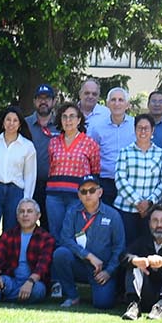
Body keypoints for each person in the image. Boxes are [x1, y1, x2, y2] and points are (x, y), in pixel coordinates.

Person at [51, 175, 125, 309]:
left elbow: (119, 247)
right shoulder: (72, 212)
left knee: (103, 304)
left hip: (102, 270)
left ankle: (109, 290)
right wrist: (89, 256)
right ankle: (72, 296)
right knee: (60, 254)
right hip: (79, 264)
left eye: (92, 190)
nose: (88, 194)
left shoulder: (113, 215)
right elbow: (65, 239)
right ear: (79, 195)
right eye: (83, 191)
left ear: (100, 192)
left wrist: (108, 272)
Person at [0, 106, 35, 257]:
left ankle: (5, 273)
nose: (11, 123)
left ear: (20, 124)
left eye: (15, 120)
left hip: (15, 193)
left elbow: (30, 176)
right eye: (8, 119)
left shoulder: (27, 147)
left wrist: (26, 200)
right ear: (3, 122)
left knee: (10, 236)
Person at [0, 199, 55, 306]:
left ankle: (5, 296)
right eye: (21, 211)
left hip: (33, 282)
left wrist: (30, 282)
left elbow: (42, 267)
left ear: (38, 216)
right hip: (11, 280)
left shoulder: (46, 238)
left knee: (38, 290)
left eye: (29, 211)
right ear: (17, 216)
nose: (25, 215)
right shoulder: (8, 235)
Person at [46, 101, 102, 242]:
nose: (68, 120)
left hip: (78, 196)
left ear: (79, 120)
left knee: (76, 234)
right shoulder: (53, 142)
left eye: (72, 116)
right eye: (64, 117)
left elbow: (94, 172)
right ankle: (58, 262)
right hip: (54, 197)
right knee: (56, 233)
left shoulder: (90, 143)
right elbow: (50, 168)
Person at [114, 113, 162, 245]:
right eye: (139, 128)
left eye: (146, 128)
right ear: (134, 129)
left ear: (152, 130)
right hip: (126, 209)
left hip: (151, 211)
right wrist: (138, 202)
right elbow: (120, 179)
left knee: (148, 247)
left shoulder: (161, 154)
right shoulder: (124, 152)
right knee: (126, 247)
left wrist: (149, 203)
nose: (143, 131)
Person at [93, 87, 135, 207]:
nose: (117, 103)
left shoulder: (135, 125)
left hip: (129, 181)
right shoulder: (98, 128)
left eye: (121, 100)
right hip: (106, 181)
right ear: (107, 104)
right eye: (113, 100)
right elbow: (94, 154)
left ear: (127, 105)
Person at [26, 85, 58, 213]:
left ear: (54, 101)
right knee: (24, 223)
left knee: (49, 226)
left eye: (47, 98)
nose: (43, 102)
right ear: (34, 101)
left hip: (52, 186)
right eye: (40, 98)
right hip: (28, 184)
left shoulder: (61, 125)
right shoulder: (25, 124)